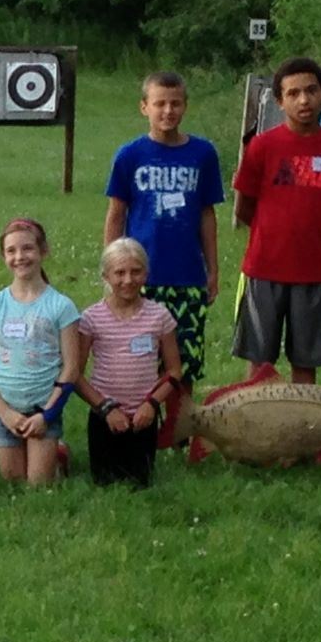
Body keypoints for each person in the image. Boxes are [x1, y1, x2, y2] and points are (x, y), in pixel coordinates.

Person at [101, 71, 223, 441]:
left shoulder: (202, 153)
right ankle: (142, 428)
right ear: (145, 107)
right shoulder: (130, 155)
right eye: (160, 103)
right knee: (142, 359)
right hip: (141, 278)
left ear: (185, 106)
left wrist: (212, 270)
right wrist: (111, 268)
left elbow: (207, 215)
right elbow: (116, 213)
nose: (168, 111)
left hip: (186, 275)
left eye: (175, 103)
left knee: (183, 360)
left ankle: (180, 430)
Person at [232, 57, 321, 386]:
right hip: (264, 267)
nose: (304, 100)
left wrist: (309, 231)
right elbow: (244, 205)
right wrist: (271, 232)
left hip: (312, 270)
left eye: (311, 91)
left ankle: (304, 429)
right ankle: (257, 426)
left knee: (306, 360)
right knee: (260, 361)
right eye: (294, 93)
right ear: (279, 101)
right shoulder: (262, 146)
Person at [0, 217, 83, 486]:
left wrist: (48, 414)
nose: (20, 257)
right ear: (3, 256)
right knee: (12, 481)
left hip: (43, 408)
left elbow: (71, 367)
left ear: (43, 251)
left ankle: (58, 454)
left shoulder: (61, 307)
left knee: (38, 485)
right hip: (5, 408)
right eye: (11, 251)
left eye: (27, 249)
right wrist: (3, 412)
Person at [75, 237, 182, 488]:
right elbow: (75, 375)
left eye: (136, 272)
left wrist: (153, 404)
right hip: (105, 416)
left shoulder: (159, 316)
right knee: (105, 483)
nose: (128, 280)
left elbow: (174, 370)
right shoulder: (91, 319)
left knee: (140, 483)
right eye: (119, 273)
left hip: (143, 416)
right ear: (106, 276)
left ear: (146, 273)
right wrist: (105, 408)